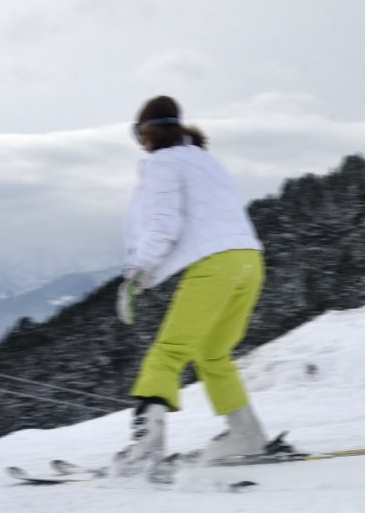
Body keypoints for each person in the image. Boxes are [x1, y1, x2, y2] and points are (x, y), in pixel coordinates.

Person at [114, 95, 275, 469]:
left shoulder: (161, 165)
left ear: (146, 134)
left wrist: (137, 274)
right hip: (250, 261)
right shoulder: (207, 162)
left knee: (168, 351)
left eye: (138, 134)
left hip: (216, 265)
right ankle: (246, 432)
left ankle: (147, 446)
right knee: (213, 353)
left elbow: (163, 225)